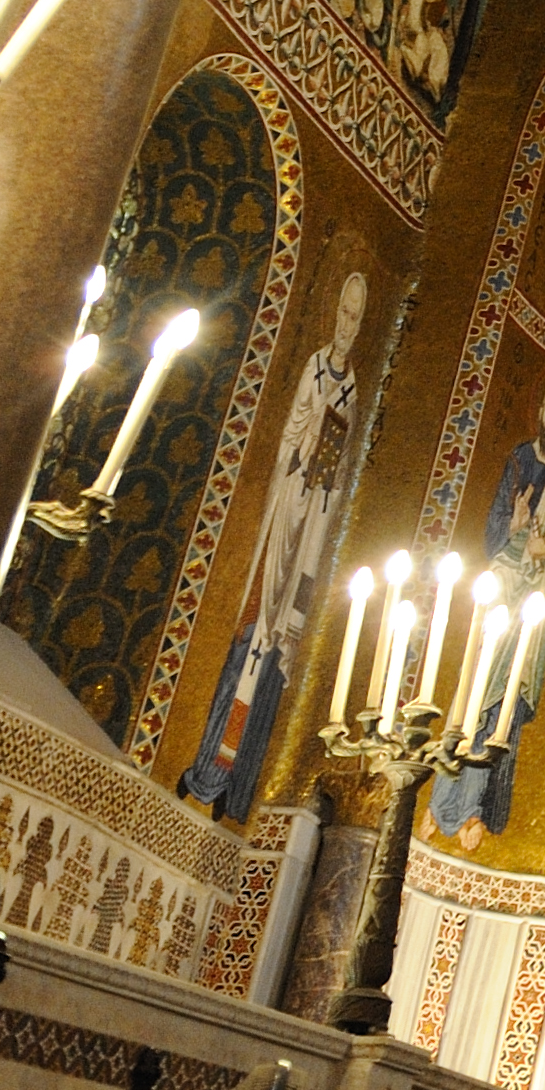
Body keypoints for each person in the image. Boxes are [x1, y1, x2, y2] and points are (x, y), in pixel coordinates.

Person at [177, 268, 372, 820]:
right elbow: (291, 432)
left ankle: (237, 786)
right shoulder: (312, 367)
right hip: (288, 505)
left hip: (314, 521)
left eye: (357, 318)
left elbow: (341, 454)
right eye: (344, 313)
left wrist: (324, 477)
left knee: (279, 644)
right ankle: (207, 770)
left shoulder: (355, 388)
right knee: (256, 630)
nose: (348, 325)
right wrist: (303, 455)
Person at [430, 379, 545, 845]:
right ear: (538, 411)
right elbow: (493, 529)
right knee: (473, 695)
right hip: (501, 584)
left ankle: (476, 808)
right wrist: (512, 528)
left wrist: (543, 552)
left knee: (501, 702)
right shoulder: (517, 460)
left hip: (532, 598)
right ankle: (442, 805)